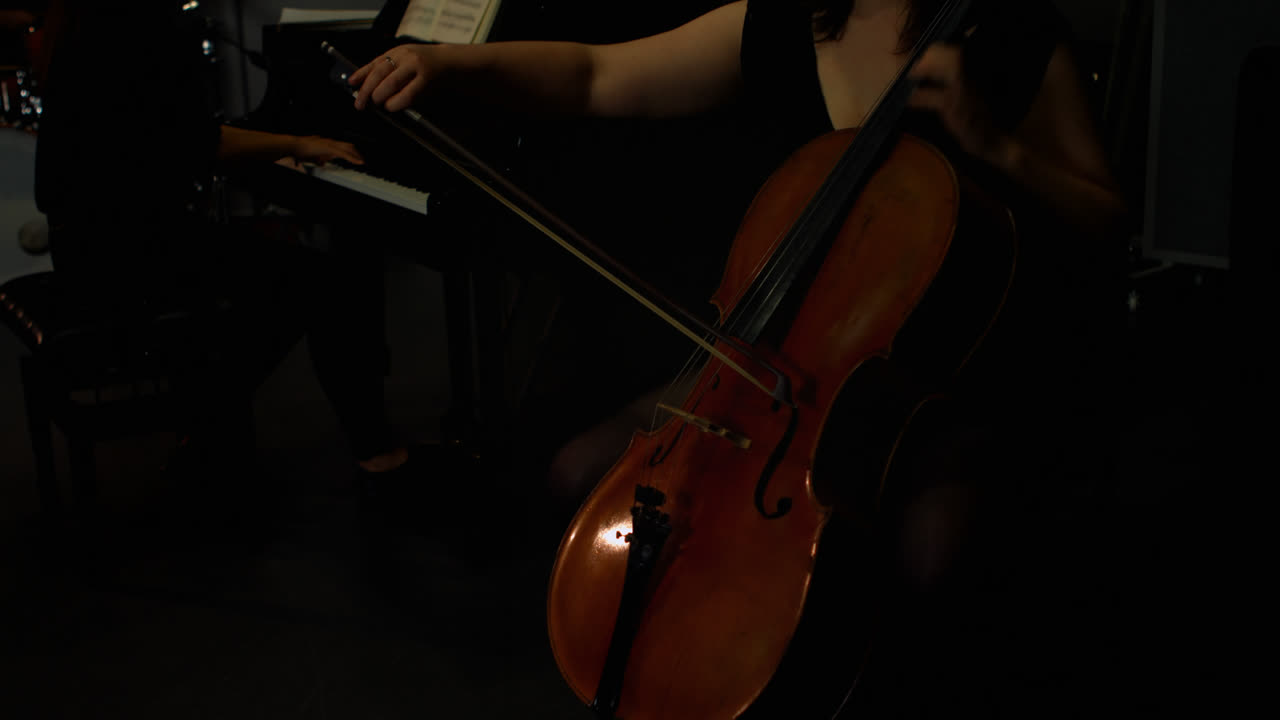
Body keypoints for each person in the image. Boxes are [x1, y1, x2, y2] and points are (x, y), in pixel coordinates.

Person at [351, 0, 1128, 711]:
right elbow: (595, 74)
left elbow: (1107, 219)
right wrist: (448, 65)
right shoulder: (794, 18)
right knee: (578, 472)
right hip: (773, 361)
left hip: (941, 376)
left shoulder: (1015, 34)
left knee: (930, 559)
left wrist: (998, 147)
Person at [34, 0, 415, 481]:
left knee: (289, 283)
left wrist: (267, 148)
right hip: (125, 253)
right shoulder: (136, 19)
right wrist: (295, 143)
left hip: (86, 242)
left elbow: (157, 141)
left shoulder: (90, 16)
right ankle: (372, 451)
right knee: (323, 285)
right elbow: (198, 143)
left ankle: (208, 419)